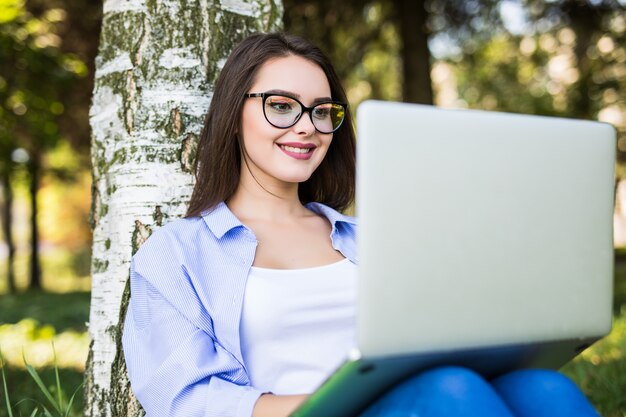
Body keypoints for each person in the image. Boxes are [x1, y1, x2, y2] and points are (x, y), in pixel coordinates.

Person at [122, 32, 600, 417]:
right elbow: (184, 401)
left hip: (417, 399)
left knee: (543, 389)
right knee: (448, 392)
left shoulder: (368, 237)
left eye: (321, 111)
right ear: (233, 114)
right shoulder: (178, 253)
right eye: (281, 106)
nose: (307, 126)